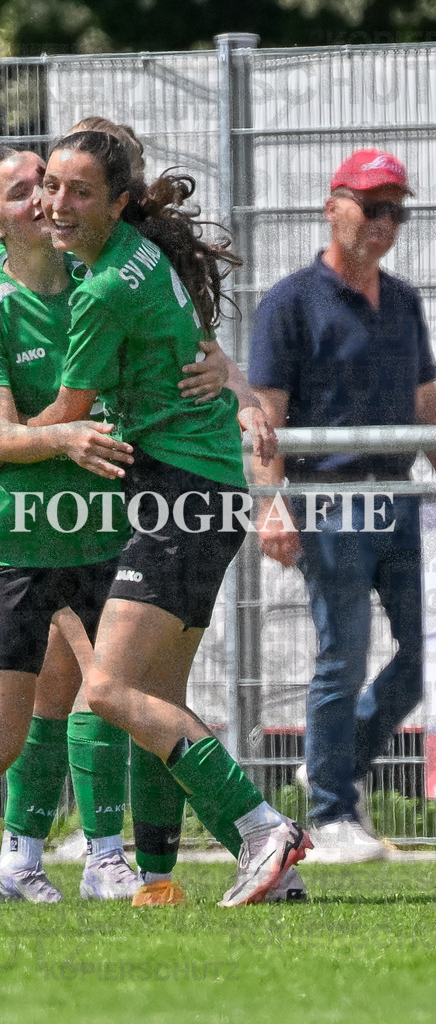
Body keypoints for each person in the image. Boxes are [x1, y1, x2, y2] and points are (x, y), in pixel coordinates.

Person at [8, 128, 312, 907]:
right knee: (156, 701)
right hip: (202, 491)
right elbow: (191, 346)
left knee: (107, 691)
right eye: (54, 188)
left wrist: (1, 441)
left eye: (80, 192)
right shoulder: (140, 251)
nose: (59, 204)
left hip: (178, 495)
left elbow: (69, 414)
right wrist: (236, 394)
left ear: (116, 202)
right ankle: (163, 876)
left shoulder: (105, 285)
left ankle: (257, 828)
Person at [248, 148, 436, 861]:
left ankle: (332, 761)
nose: (384, 222)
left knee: (421, 658)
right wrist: (272, 506)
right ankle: (329, 814)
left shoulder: (405, 301)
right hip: (326, 502)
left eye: (396, 209)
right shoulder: (290, 302)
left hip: (397, 499)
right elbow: (263, 416)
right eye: (370, 205)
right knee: (343, 656)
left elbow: (424, 404)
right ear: (332, 206)